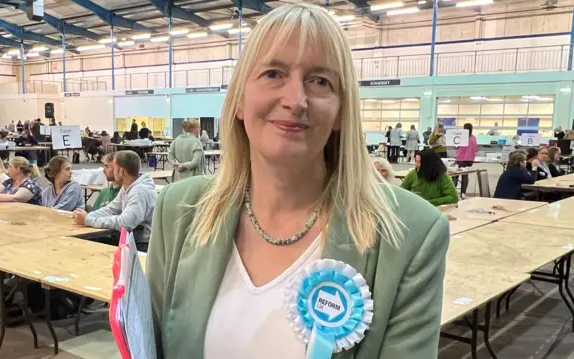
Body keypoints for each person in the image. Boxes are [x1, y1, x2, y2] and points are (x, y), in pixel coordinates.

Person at [146, 4, 449, 359]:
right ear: (240, 100)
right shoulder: (178, 210)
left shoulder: (411, 234)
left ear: (340, 111)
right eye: (273, 73)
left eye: (320, 81)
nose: (295, 100)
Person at [73, 151, 157, 252]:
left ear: (121, 171)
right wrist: (88, 216)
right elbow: (111, 209)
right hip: (130, 240)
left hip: (142, 245)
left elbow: (126, 223)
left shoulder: (139, 192)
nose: (113, 172)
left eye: (114, 168)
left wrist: (88, 220)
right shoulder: (128, 186)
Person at [452, 123, 478, 199]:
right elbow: (476, 149)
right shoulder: (474, 138)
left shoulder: (461, 137)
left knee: (456, 175)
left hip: (461, 159)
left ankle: (453, 190)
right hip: (470, 160)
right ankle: (463, 192)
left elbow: (456, 147)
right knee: (465, 175)